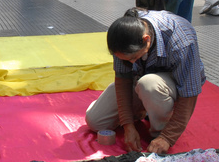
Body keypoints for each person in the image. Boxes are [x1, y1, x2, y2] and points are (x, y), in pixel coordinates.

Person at [85, 8, 206, 154]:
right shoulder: (123, 37)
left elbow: (189, 94)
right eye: (126, 60)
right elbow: (123, 81)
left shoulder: (181, 40)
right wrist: (127, 125)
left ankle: (159, 132)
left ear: (146, 40)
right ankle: (144, 108)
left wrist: (167, 137)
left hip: (171, 85)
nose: (130, 63)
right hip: (142, 81)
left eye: (133, 58)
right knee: (96, 121)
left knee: (149, 85)